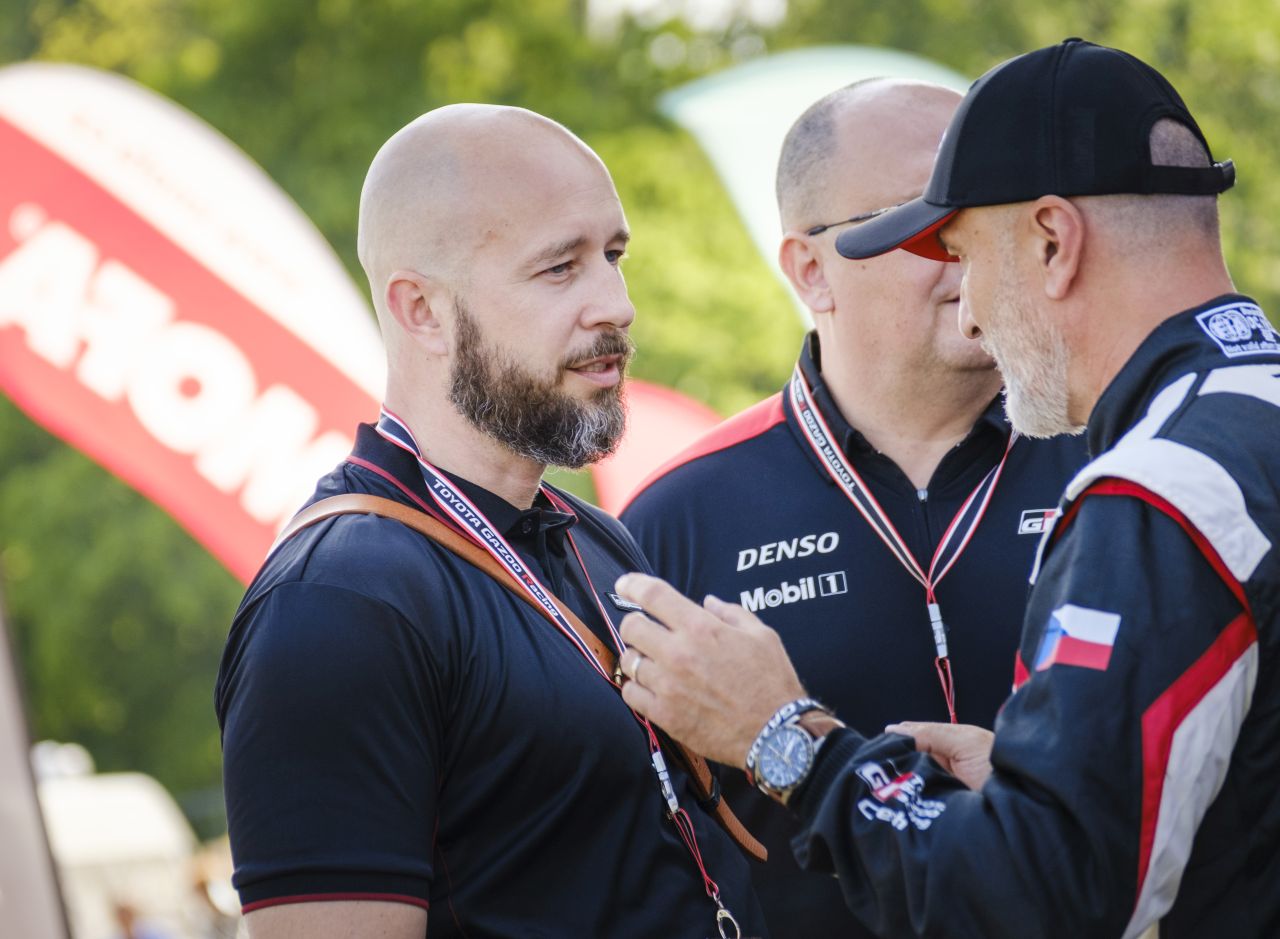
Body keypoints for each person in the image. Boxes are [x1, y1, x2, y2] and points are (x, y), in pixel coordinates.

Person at [611, 38, 1280, 938]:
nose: (970, 304)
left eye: (963, 247)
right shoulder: (1236, 420)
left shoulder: (1159, 486)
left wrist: (788, 739)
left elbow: (1043, 895)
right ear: (808, 270)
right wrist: (1048, 783)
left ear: (1054, 242)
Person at [215, 104, 766, 939]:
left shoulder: (592, 537)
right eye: (560, 268)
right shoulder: (337, 601)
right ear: (422, 311)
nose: (616, 304)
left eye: (614, 256)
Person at [621, 79, 1087, 938]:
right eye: (925, 216)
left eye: (989, 211)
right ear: (811, 271)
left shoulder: (1116, 464)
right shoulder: (676, 517)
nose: (966, 245)